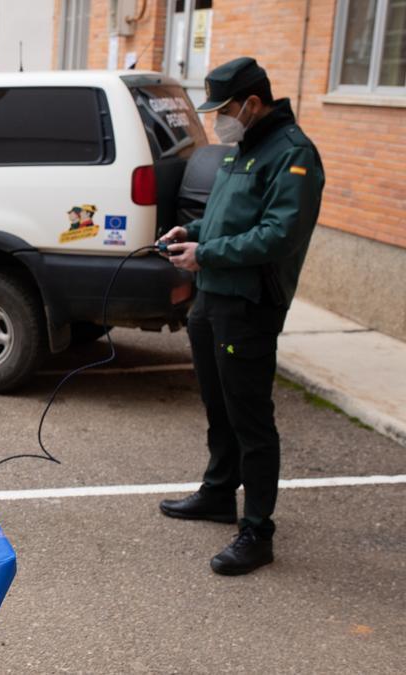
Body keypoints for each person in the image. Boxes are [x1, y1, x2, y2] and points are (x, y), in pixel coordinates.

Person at [157, 57, 325, 576]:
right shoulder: (244, 146)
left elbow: (278, 235)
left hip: (249, 305)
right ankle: (217, 492)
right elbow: (227, 212)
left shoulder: (294, 155)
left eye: (224, 109)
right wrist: (194, 233)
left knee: (250, 417)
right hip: (213, 298)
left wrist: (207, 253)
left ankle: (257, 530)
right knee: (218, 404)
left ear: (252, 103)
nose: (219, 120)